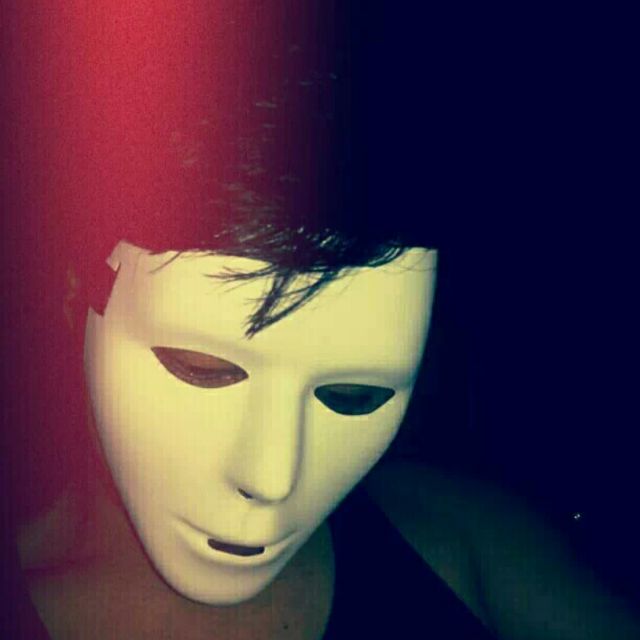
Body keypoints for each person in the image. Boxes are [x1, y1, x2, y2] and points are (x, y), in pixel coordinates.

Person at [3, 2, 640, 638]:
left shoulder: (472, 545)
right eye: (201, 367)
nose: (271, 479)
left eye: (354, 394)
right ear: (74, 288)